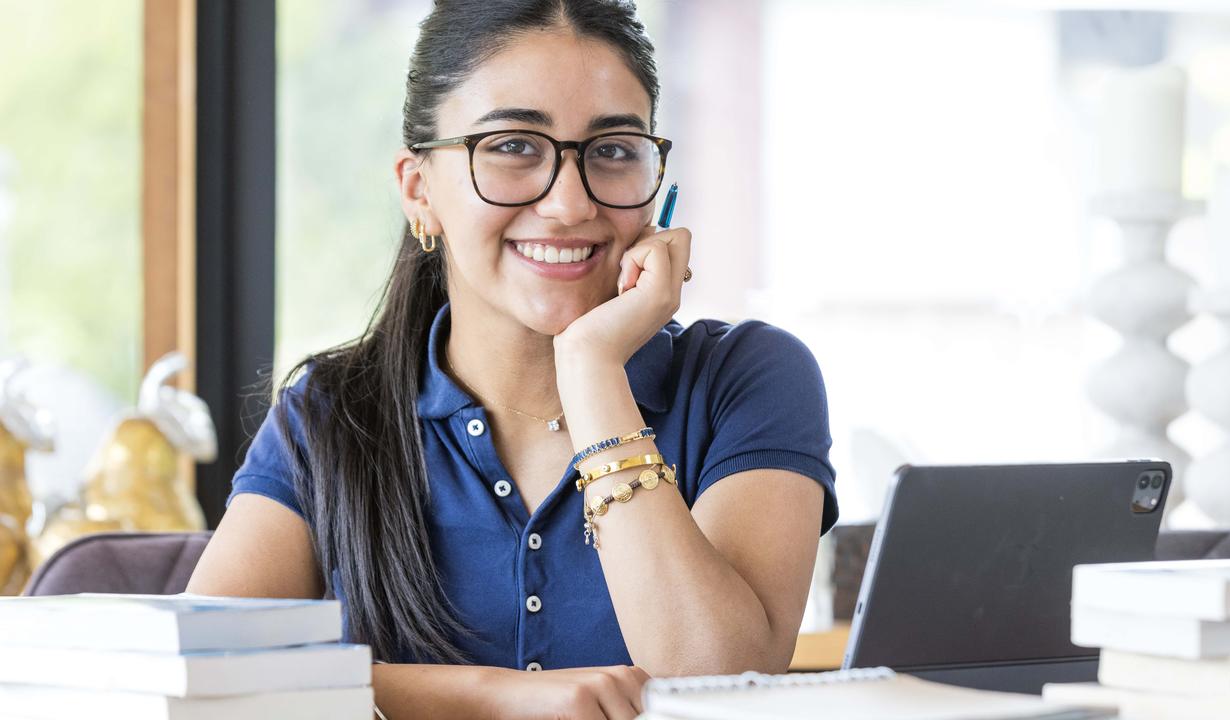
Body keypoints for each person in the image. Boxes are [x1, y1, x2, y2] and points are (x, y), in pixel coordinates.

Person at [187, 1, 838, 717]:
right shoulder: (331, 414)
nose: (566, 204)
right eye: (513, 146)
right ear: (418, 189)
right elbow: (199, 678)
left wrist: (591, 371)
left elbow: (717, 681)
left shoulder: (748, 379)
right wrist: (498, 698)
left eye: (613, 150)